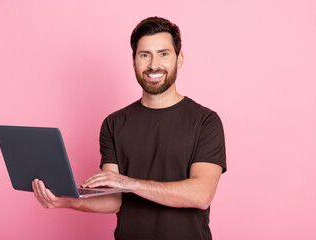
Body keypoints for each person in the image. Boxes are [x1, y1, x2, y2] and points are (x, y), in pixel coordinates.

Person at [32, 16, 227, 240]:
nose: (154, 64)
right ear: (134, 60)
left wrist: (129, 183)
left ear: (179, 58)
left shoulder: (206, 121)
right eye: (145, 55)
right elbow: (114, 199)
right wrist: (64, 200)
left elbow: (201, 194)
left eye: (163, 54)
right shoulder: (114, 124)